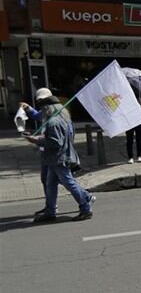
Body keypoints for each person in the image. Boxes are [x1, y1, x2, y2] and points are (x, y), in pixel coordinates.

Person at [24, 90, 94, 222]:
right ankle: (50, 211)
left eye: (43, 109)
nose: (42, 112)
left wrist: (36, 140)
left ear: (48, 108)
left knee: (69, 183)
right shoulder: (61, 119)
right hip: (56, 158)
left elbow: (55, 142)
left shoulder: (54, 122)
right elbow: (57, 138)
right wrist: (39, 137)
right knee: (51, 184)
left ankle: (86, 206)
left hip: (58, 159)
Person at [125, 87, 141, 164]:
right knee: (129, 140)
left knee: (139, 139)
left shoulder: (139, 100)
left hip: (138, 121)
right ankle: (130, 157)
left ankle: (139, 156)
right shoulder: (126, 101)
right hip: (129, 122)